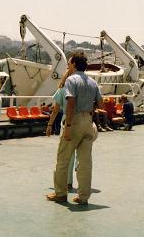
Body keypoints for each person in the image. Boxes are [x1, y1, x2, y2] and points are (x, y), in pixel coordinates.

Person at [46, 52, 102, 205]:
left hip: (75, 121)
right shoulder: (92, 82)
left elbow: (70, 102)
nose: (68, 66)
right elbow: (101, 104)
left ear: (74, 64)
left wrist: (69, 126)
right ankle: (83, 197)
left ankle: (60, 194)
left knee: (63, 159)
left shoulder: (71, 80)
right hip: (88, 122)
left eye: (69, 63)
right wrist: (88, 110)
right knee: (85, 162)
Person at [46, 68, 78, 190]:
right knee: (74, 154)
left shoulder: (63, 89)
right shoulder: (81, 87)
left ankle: (65, 184)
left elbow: (55, 110)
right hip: (81, 120)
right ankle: (72, 179)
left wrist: (49, 125)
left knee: (64, 154)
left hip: (66, 121)